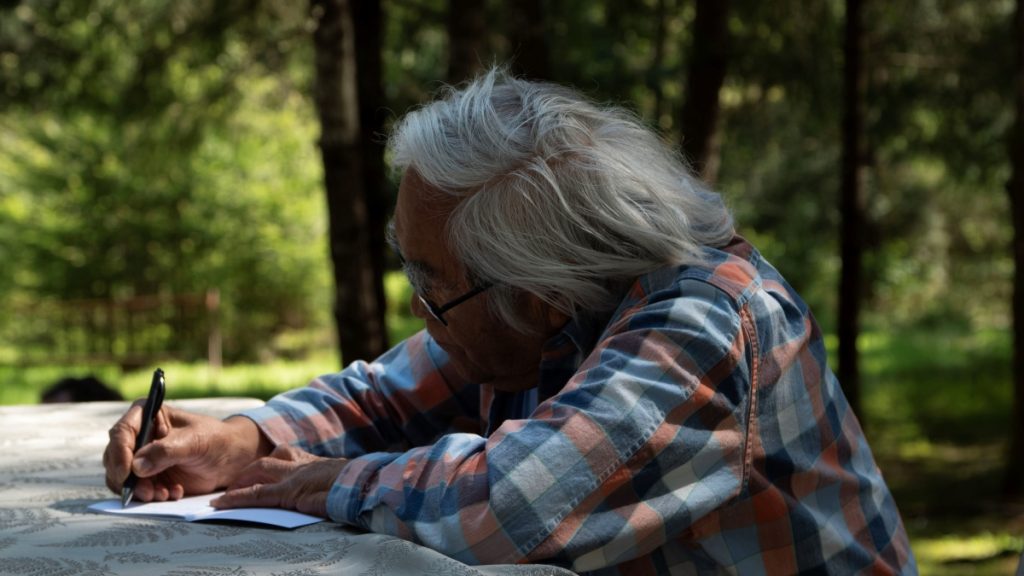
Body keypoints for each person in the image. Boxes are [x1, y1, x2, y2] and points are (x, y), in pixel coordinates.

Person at [104, 68, 917, 575]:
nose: (420, 313)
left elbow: (515, 504)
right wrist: (243, 439)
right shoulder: (556, 308)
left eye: (434, 289)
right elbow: (381, 400)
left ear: (535, 293)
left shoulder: (709, 320)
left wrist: (324, 482)